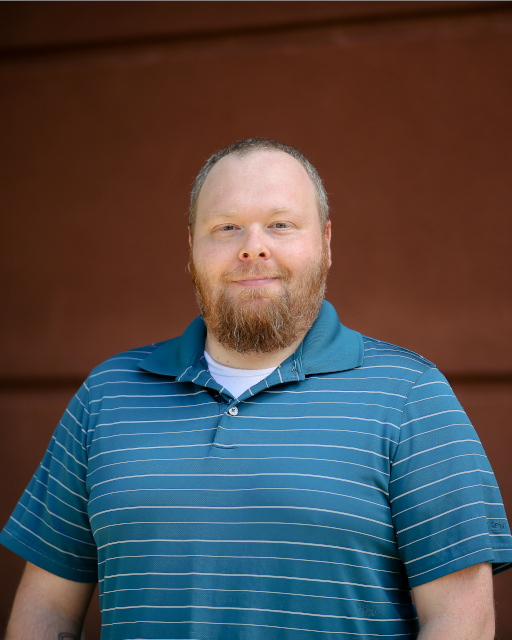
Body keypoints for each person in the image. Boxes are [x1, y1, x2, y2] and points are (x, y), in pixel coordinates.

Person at [2, 138, 511, 640]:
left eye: (280, 225)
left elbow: (462, 618)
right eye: (226, 227)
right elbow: (45, 610)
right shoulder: (107, 394)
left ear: (326, 244)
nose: (252, 245)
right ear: (191, 248)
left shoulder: (410, 395)